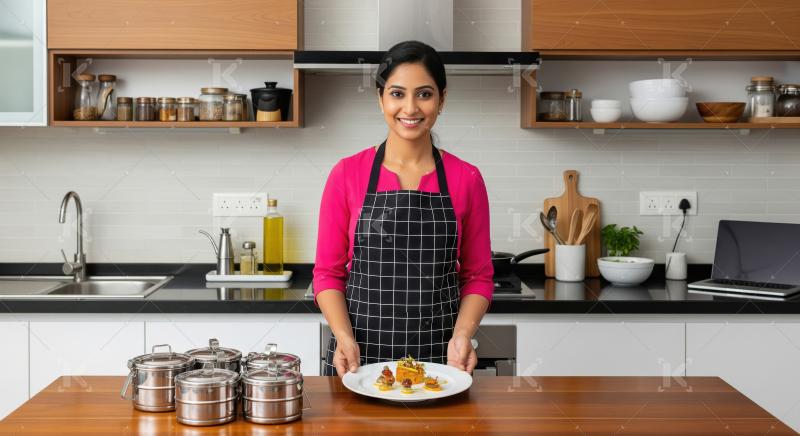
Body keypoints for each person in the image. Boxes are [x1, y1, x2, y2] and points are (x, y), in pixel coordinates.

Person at [313, 40, 493, 377]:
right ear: (380, 98)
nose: (410, 108)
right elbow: (327, 273)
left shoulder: (466, 178)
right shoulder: (347, 174)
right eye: (397, 94)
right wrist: (343, 337)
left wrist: (463, 335)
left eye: (424, 94)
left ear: (442, 99)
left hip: (440, 361)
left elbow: (478, 277)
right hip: (358, 359)